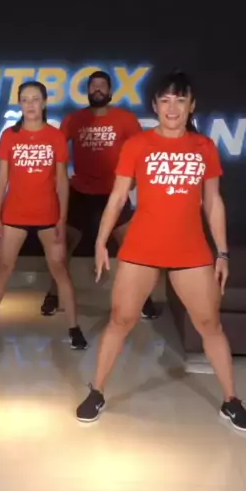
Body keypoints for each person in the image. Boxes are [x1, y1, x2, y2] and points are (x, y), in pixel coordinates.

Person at [76, 70, 246, 431]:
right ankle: (97, 392)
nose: (172, 108)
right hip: (141, 247)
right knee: (120, 320)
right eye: (165, 100)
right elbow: (118, 197)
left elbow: (213, 203)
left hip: (191, 251)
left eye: (180, 100)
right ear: (155, 105)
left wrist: (222, 252)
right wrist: (100, 240)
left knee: (210, 325)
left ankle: (231, 400)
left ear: (192, 105)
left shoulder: (204, 146)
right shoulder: (137, 145)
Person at [0, 80, 88, 349]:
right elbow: (1, 179)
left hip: (48, 214)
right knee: (2, 268)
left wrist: (62, 218)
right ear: (19, 104)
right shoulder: (9, 136)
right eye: (25, 100)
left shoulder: (55, 136)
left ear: (44, 102)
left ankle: (74, 328)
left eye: (35, 99)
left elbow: (62, 181)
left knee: (60, 269)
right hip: (14, 214)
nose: (30, 105)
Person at [40, 70, 158, 320]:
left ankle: (144, 298)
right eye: (93, 85)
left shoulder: (125, 119)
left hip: (113, 194)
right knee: (62, 247)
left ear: (110, 91)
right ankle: (53, 294)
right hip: (81, 193)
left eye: (102, 85)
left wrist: (133, 180)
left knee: (132, 248)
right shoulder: (73, 119)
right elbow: (56, 152)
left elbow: (143, 152)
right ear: (87, 91)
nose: (97, 89)